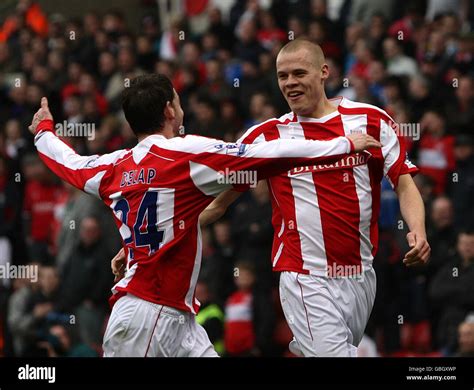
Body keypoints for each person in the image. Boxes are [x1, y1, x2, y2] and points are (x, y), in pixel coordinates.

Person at [29, 74, 379, 357]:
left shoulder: (112, 167)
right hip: (147, 312)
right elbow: (267, 154)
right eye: (178, 102)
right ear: (170, 111)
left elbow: (69, 163)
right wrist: (343, 144)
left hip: (179, 320)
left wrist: (45, 131)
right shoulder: (185, 153)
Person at [195, 40, 431, 357]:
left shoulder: (370, 120)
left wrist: (417, 229)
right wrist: (155, 242)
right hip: (304, 276)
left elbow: (403, 182)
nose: (289, 83)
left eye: (298, 73)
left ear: (323, 72)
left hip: (360, 274)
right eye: (282, 76)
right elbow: (217, 203)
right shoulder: (267, 138)